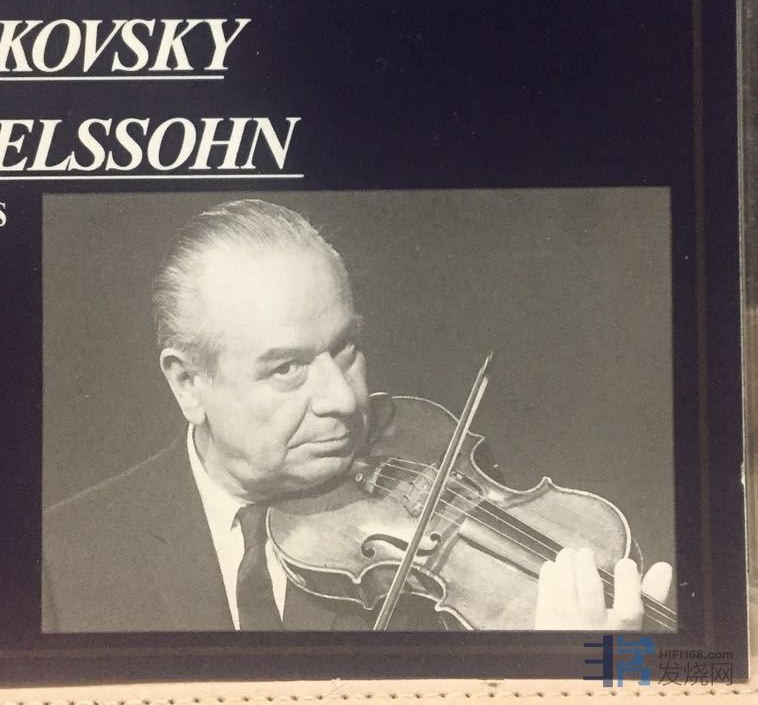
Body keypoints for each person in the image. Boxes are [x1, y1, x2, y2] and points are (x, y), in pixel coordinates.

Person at [42, 199, 671, 632]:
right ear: (188, 383)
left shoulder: (443, 531)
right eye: (286, 368)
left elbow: (655, 678)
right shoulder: (62, 560)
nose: (343, 400)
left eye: (346, 349)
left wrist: (599, 677)